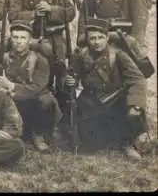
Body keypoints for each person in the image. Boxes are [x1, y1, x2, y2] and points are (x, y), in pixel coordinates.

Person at [65, 18, 152, 161]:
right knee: (90, 145)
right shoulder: (81, 55)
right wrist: (70, 81)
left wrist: (135, 104)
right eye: (92, 38)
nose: (96, 42)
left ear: (107, 38)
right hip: (92, 101)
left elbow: (138, 79)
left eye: (100, 37)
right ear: (87, 39)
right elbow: (71, 75)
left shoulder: (118, 55)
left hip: (117, 99)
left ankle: (127, 143)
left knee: (130, 116)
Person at [0, 20, 62, 153]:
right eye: (15, 37)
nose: (19, 41)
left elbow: (38, 87)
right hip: (10, 102)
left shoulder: (39, 60)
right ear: (11, 39)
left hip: (31, 102)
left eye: (23, 38)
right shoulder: (3, 59)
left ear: (30, 41)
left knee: (47, 100)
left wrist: (12, 87)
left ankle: (39, 134)